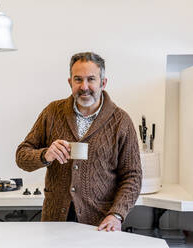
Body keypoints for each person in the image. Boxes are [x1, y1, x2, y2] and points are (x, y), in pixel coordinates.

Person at [16, 52, 142, 232]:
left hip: (100, 224)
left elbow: (133, 176)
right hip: (55, 222)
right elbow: (21, 156)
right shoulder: (52, 112)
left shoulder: (121, 121)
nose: (84, 87)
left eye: (91, 79)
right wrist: (45, 155)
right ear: (70, 82)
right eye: (78, 80)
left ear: (103, 82)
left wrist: (116, 214)